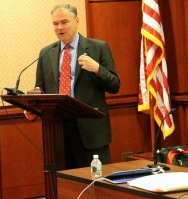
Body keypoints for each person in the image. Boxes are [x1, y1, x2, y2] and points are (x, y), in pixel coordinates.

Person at [25, 3, 120, 169]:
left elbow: (115, 85)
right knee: (63, 186)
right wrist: (31, 107)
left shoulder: (98, 47)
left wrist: (97, 69)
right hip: (58, 131)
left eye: (64, 22)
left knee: (95, 186)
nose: (59, 27)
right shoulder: (46, 53)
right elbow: (40, 89)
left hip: (91, 132)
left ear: (77, 21)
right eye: (55, 24)